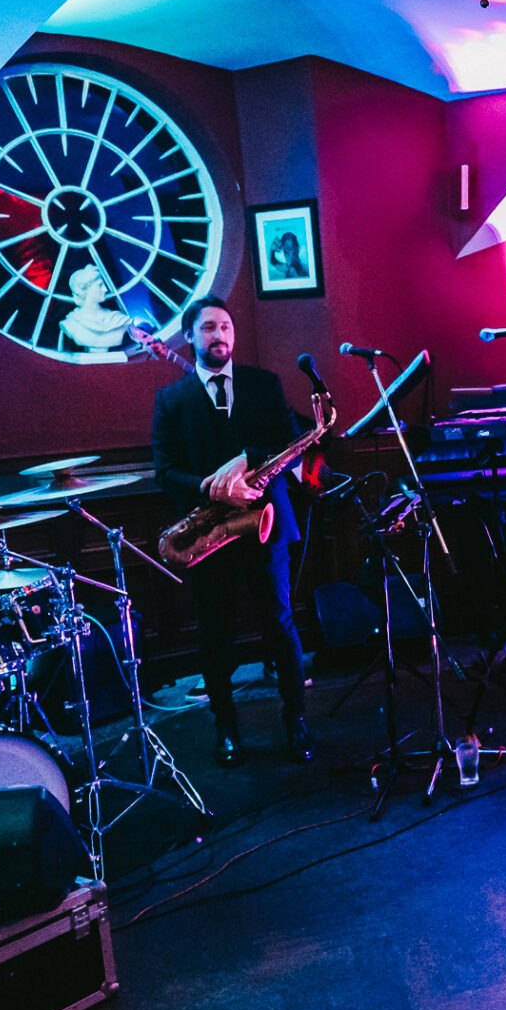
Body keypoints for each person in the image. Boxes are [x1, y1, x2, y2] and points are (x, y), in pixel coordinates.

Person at [151, 296, 313, 766]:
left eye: (224, 326)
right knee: (216, 633)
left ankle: (295, 718)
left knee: (280, 624)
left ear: (233, 334)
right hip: (209, 533)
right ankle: (226, 726)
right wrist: (208, 487)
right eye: (207, 328)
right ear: (189, 337)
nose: (218, 335)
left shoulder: (264, 384)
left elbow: (291, 444)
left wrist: (251, 459)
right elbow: (164, 471)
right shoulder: (170, 401)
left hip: (266, 523)